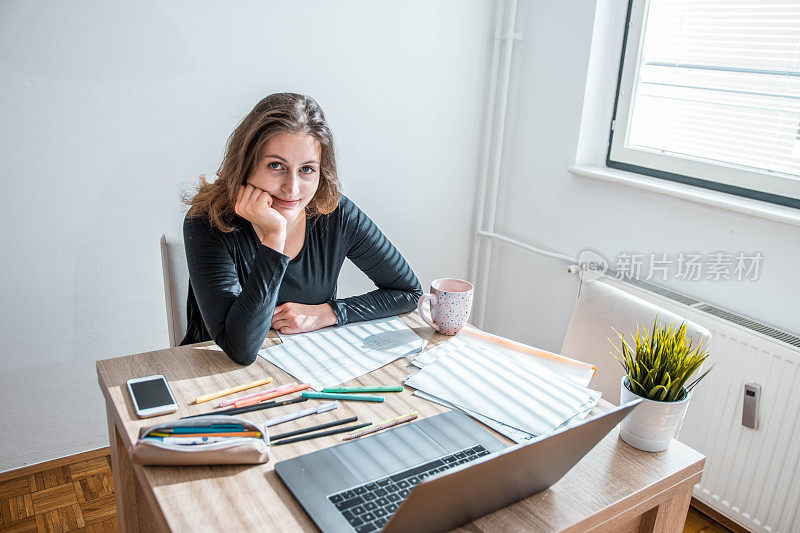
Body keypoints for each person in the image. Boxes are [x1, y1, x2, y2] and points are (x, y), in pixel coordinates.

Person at [180, 93, 423, 365]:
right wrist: (274, 238)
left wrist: (329, 312)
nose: (292, 189)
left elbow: (408, 292)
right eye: (276, 166)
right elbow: (241, 349)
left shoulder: (336, 213)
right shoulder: (207, 221)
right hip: (212, 372)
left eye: (307, 169)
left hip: (309, 366)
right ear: (245, 164)